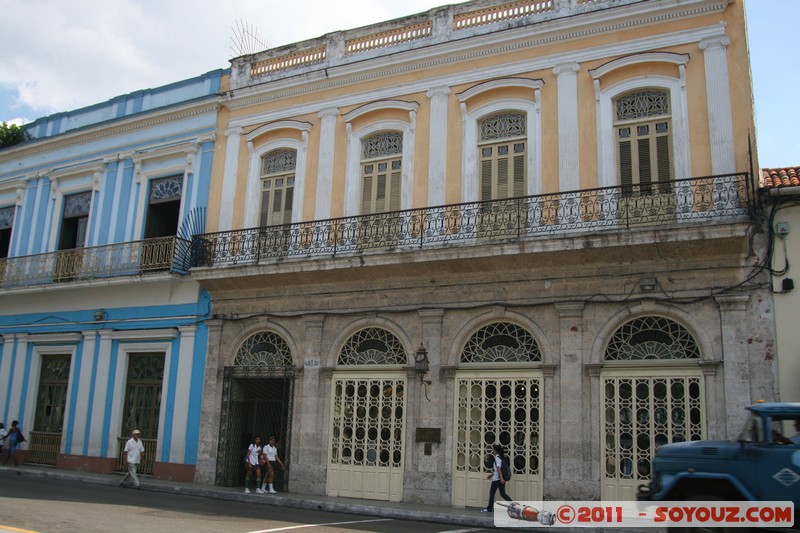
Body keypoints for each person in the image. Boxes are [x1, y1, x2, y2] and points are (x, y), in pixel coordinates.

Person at [482, 444, 512, 513]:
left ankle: (489, 509)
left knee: (492, 493)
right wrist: (491, 475)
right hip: (499, 479)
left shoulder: (497, 458)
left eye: (493, 449)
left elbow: (498, 468)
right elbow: (498, 469)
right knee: (503, 494)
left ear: (495, 450)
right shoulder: (501, 457)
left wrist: (501, 478)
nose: (492, 451)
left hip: (497, 480)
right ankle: (514, 505)